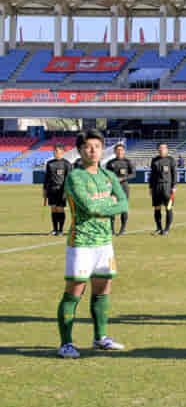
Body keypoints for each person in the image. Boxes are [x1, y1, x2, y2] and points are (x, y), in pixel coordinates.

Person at [56, 130, 129, 358]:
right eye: (88, 146)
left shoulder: (108, 175)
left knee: (102, 289)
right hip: (82, 242)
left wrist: (107, 205)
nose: (93, 150)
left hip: (105, 243)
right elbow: (90, 207)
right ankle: (65, 343)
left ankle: (100, 338)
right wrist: (109, 203)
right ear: (80, 150)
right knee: (74, 291)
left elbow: (124, 204)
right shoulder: (75, 177)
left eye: (97, 146)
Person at [104, 144, 136, 236]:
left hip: (124, 187)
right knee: (112, 208)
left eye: (121, 150)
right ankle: (112, 230)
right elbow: (106, 175)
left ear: (124, 151)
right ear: (114, 151)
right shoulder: (110, 163)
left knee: (123, 208)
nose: (119, 151)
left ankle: (123, 229)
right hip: (113, 188)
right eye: (117, 150)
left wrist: (122, 179)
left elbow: (133, 174)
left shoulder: (127, 162)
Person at [43, 144, 73, 236]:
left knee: (60, 209)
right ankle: (55, 229)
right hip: (51, 190)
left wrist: (66, 191)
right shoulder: (49, 163)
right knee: (53, 209)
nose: (55, 153)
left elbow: (69, 179)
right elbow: (47, 178)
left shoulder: (67, 164)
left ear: (62, 152)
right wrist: (44, 190)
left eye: (57, 151)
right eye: (54, 151)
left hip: (61, 190)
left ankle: (60, 230)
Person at [149, 142, 178, 235]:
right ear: (158, 149)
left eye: (164, 148)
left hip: (167, 187)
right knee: (157, 208)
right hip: (156, 187)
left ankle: (166, 229)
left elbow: (174, 174)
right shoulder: (154, 160)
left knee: (168, 208)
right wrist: (150, 187)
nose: (162, 150)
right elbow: (152, 174)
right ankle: (158, 228)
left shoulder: (171, 160)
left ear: (167, 149)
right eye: (160, 148)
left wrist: (174, 186)